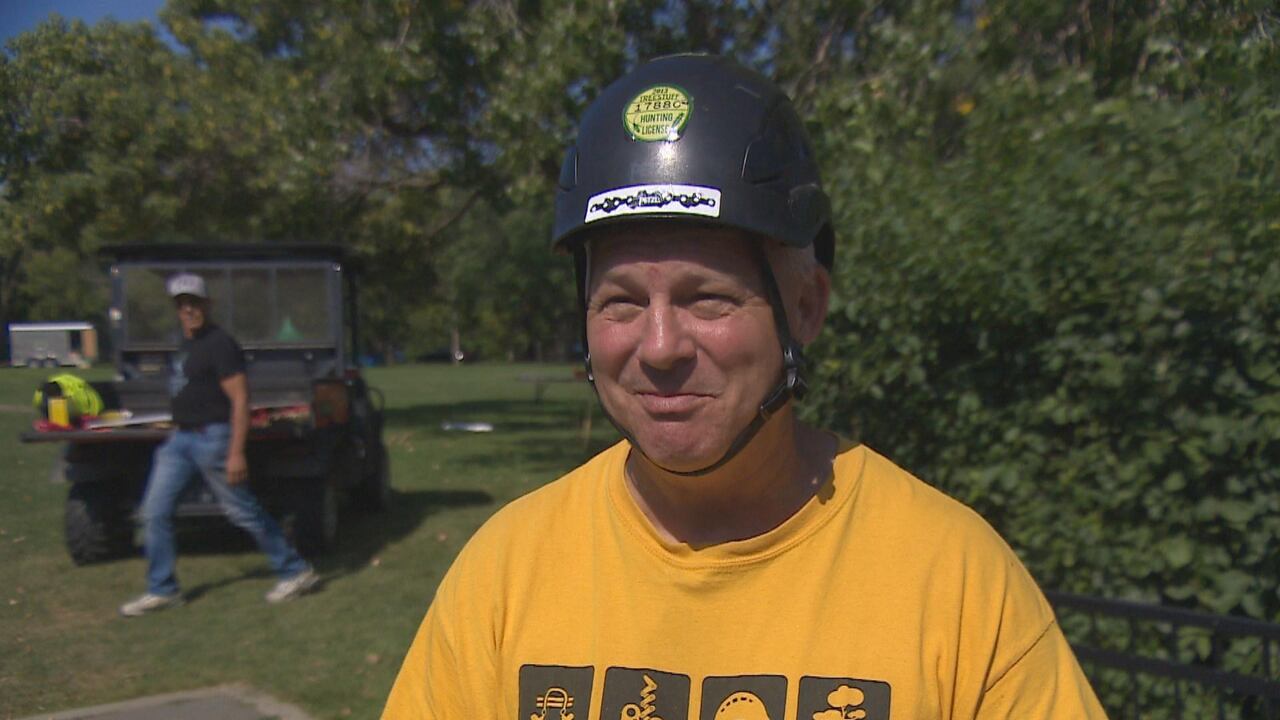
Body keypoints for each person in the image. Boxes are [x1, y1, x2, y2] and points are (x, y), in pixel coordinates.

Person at [383, 55, 1107, 718]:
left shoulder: (954, 583)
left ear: (806, 308)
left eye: (708, 299)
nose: (659, 347)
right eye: (622, 302)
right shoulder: (505, 574)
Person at [119, 272, 319, 616]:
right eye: (182, 304)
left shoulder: (220, 344)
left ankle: (295, 571)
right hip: (179, 440)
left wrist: (236, 452)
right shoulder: (184, 344)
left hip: (213, 438)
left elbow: (240, 399)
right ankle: (163, 589)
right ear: (176, 308)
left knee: (241, 511)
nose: (188, 310)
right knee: (155, 511)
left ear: (207, 305)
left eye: (194, 303)